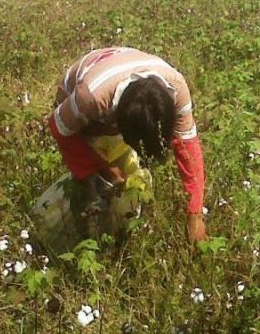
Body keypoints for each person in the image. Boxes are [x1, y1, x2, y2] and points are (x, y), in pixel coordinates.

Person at [47, 46, 207, 243]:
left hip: (115, 78)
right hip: (76, 93)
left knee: (127, 173)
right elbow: (59, 127)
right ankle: (88, 234)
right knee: (97, 183)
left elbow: (188, 149)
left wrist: (195, 215)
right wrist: (106, 170)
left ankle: (124, 227)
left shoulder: (176, 88)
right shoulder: (90, 98)